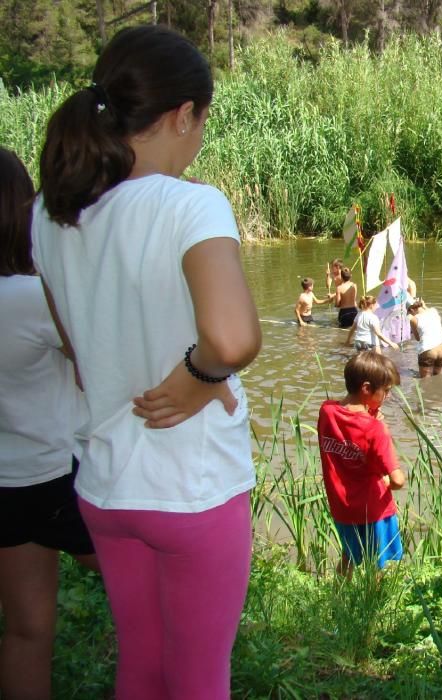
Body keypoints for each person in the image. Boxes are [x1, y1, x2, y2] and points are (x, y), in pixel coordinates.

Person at [31, 26, 262, 699]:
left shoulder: (50, 212)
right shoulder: (190, 205)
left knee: (141, 666)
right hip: (192, 488)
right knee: (197, 680)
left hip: (105, 485)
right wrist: (198, 376)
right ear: (183, 115)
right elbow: (233, 337)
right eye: (201, 124)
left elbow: (77, 344)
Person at [0, 148, 99, 700]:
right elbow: (94, 370)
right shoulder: (30, 298)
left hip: (5, 483)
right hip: (56, 479)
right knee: (154, 581)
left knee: (25, 629)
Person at [317, 351, 405, 576]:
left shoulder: (326, 411)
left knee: (349, 556)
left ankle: (338, 599)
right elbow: (398, 480)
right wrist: (387, 481)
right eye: (386, 390)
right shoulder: (375, 429)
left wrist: (371, 413)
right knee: (378, 564)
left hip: (342, 507)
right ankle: (372, 606)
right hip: (374, 510)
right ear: (366, 388)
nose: (388, 395)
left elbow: (350, 425)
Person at [407, 298, 442, 377]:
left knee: (425, 380)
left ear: (412, 310)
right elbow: (427, 310)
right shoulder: (434, 311)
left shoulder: (413, 319)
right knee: (438, 377)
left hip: (428, 349)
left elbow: (418, 338)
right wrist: (424, 305)